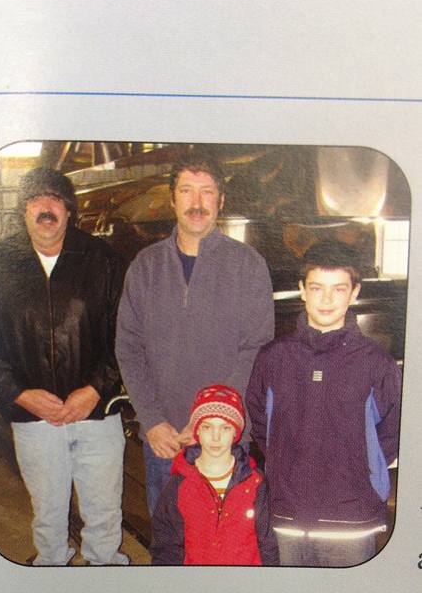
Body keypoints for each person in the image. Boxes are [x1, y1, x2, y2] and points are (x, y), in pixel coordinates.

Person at [0, 166, 128, 566]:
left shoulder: (103, 261)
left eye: (55, 199)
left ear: (69, 210)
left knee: (104, 515)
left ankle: (107, 576)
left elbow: (126, 335)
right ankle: (51, 574)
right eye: (35, 199)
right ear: (23, 210)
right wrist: (20, 394)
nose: (46, 207)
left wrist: (95, 389)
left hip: (96, 414)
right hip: (34, 418)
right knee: (47, 515)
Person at [116, 150, 274, 516]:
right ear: (172, 200)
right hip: (165, 439)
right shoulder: (146, 266)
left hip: (226, 436)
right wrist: (151, 420)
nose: (197, 203)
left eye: (207, 192)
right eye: (187, 191)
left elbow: (256, 348)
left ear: (221, 200)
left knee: (226, 539)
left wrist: (210, 418)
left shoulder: (248, 265)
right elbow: (128, 348)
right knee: (170, 538)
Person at [245, 240, 401, 568]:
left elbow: (394, 430)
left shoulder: (376, 364)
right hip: (288, 517)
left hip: (351, 522)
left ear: (354, 293)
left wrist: (362, 468)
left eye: (338, 289)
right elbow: (260, 422)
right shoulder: (273, 358)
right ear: (302, 290)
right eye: (317, 288)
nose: (327, 300)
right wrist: (285, 463)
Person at [151, 384, 278, 565]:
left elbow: (268, 544)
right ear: (197, 431)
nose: (216, 437)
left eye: (225, 428)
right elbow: (166, 546)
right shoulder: (179, 484)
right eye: (207, 427)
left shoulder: (255, 483)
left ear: (236, 432)